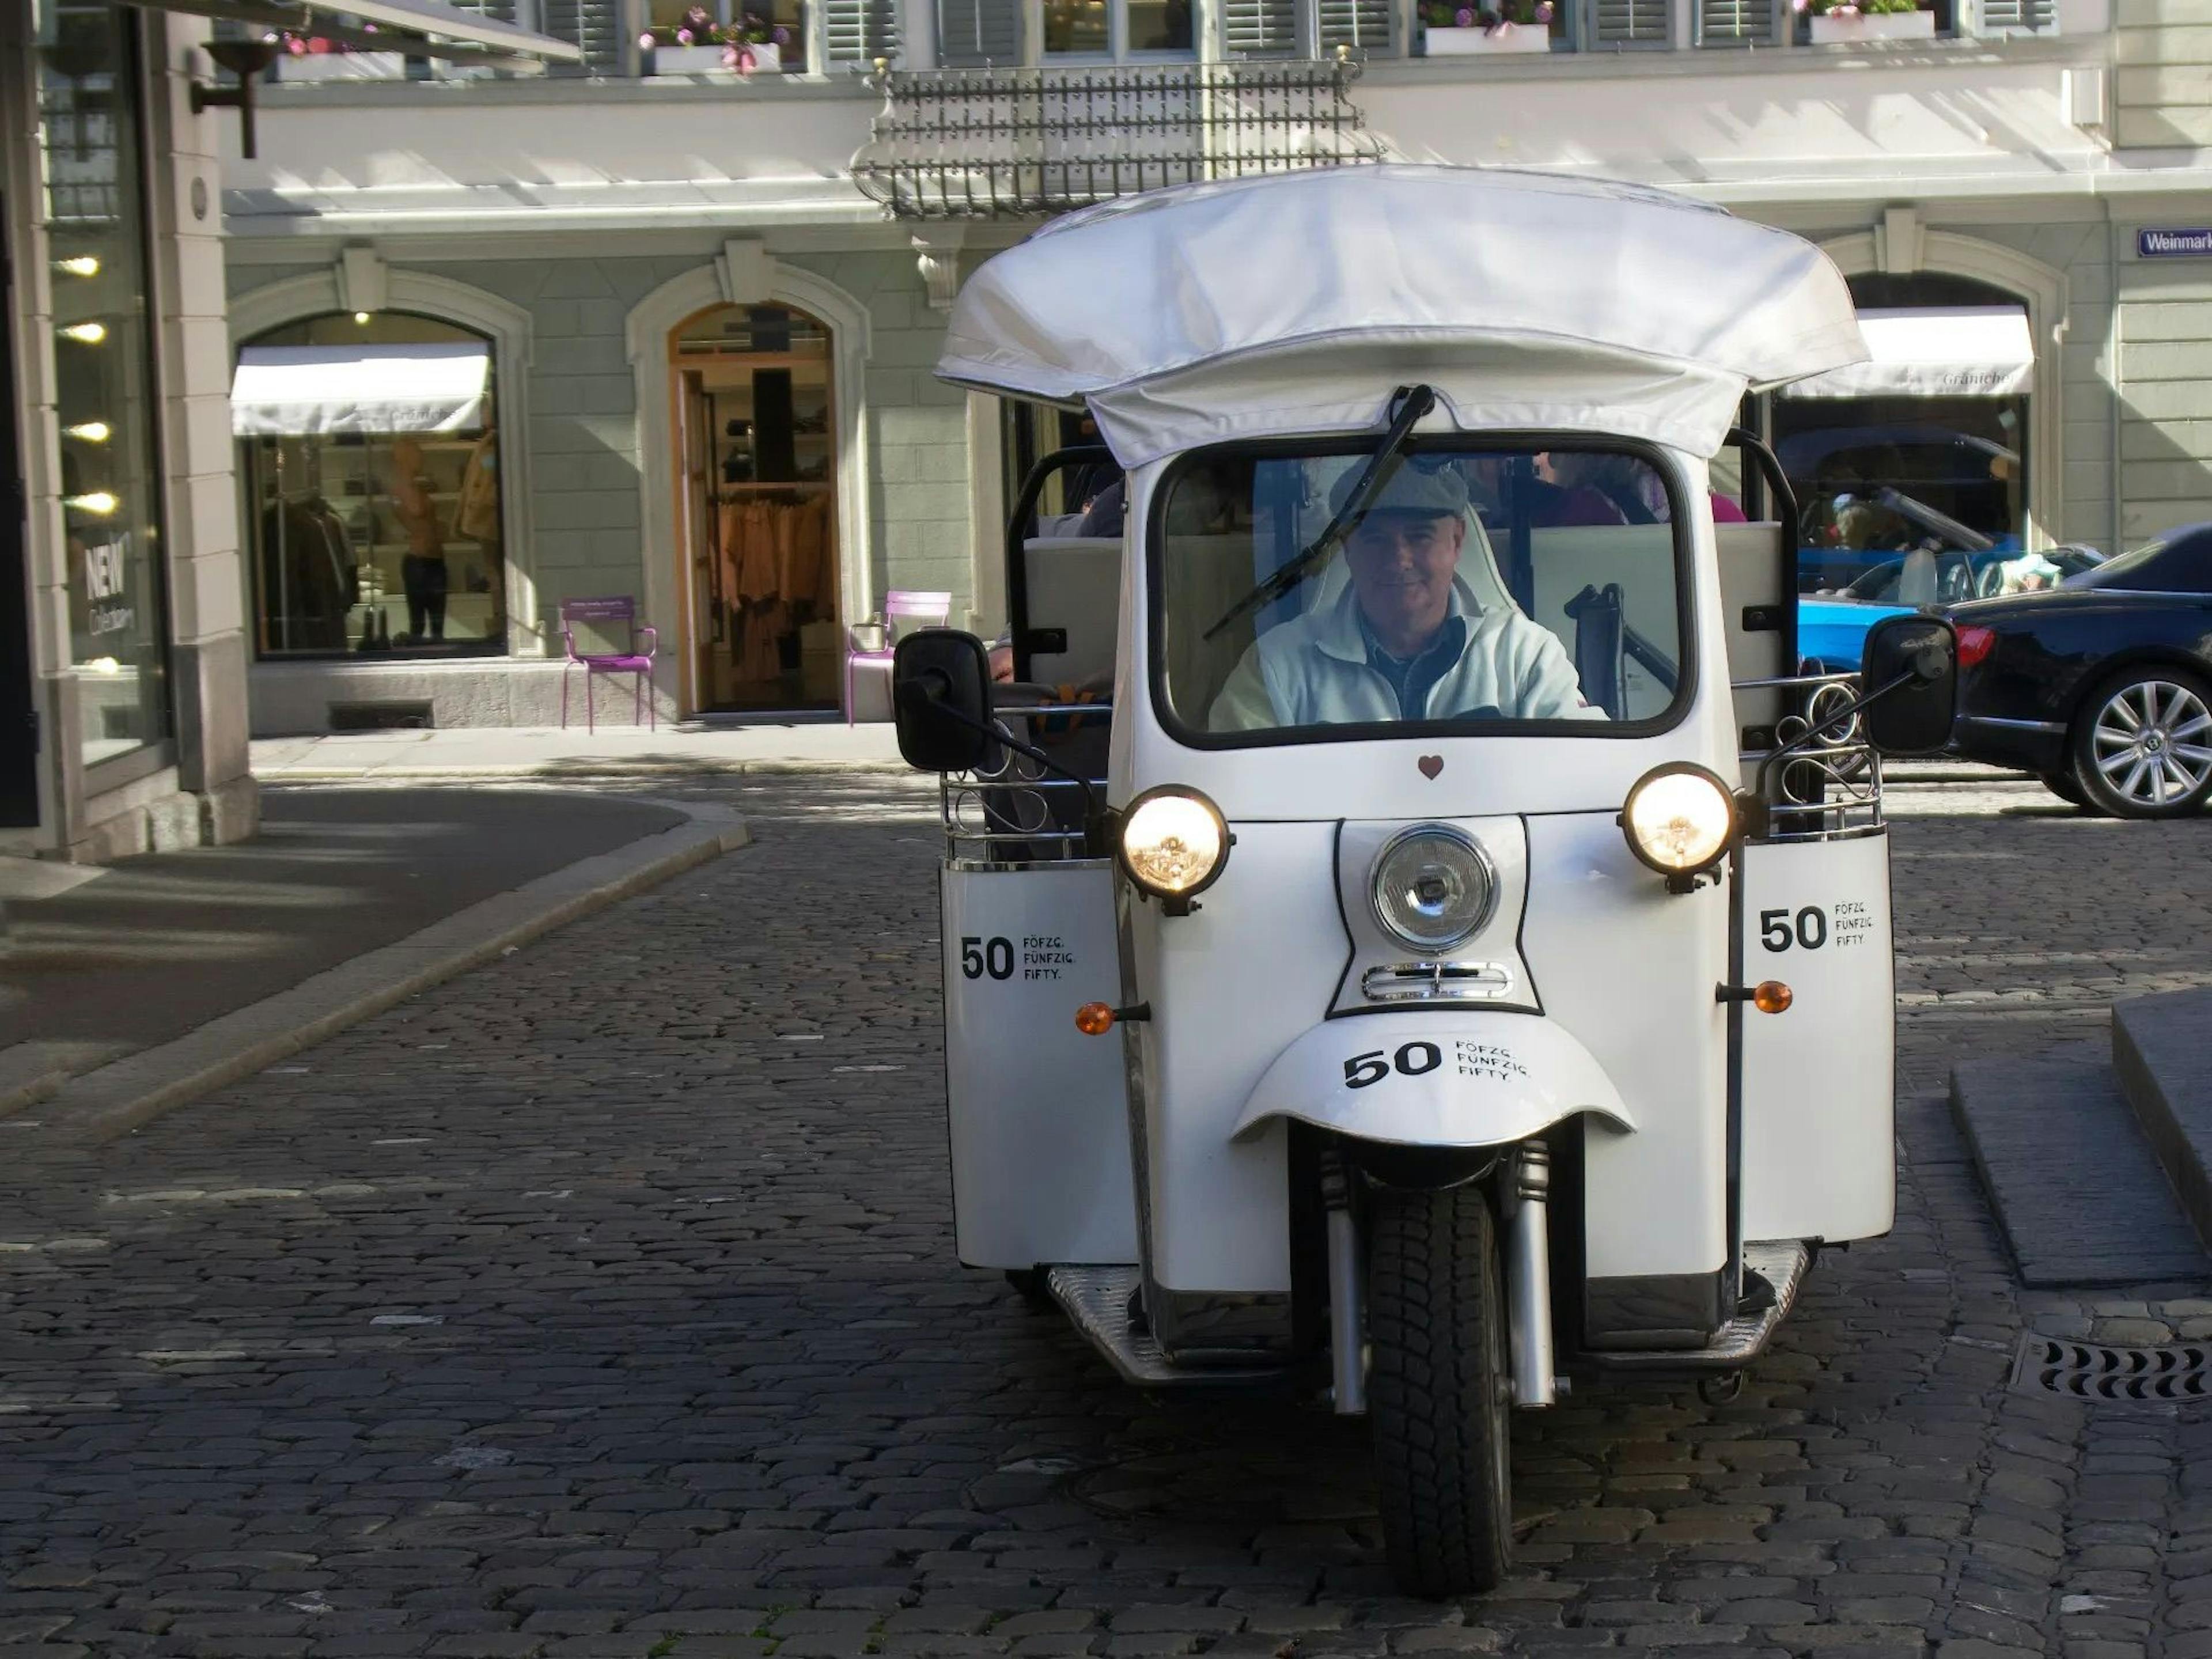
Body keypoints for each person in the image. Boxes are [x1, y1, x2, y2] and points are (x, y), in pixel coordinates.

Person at [1207, 458, 1601, 732]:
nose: (1399, 559)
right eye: (1375, 539)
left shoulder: (1524, 655)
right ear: (1348, 547)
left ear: (1457, 541)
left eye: (1419, 537)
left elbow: (1587, 769)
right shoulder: (1276, 665)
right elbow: (1231, 793)